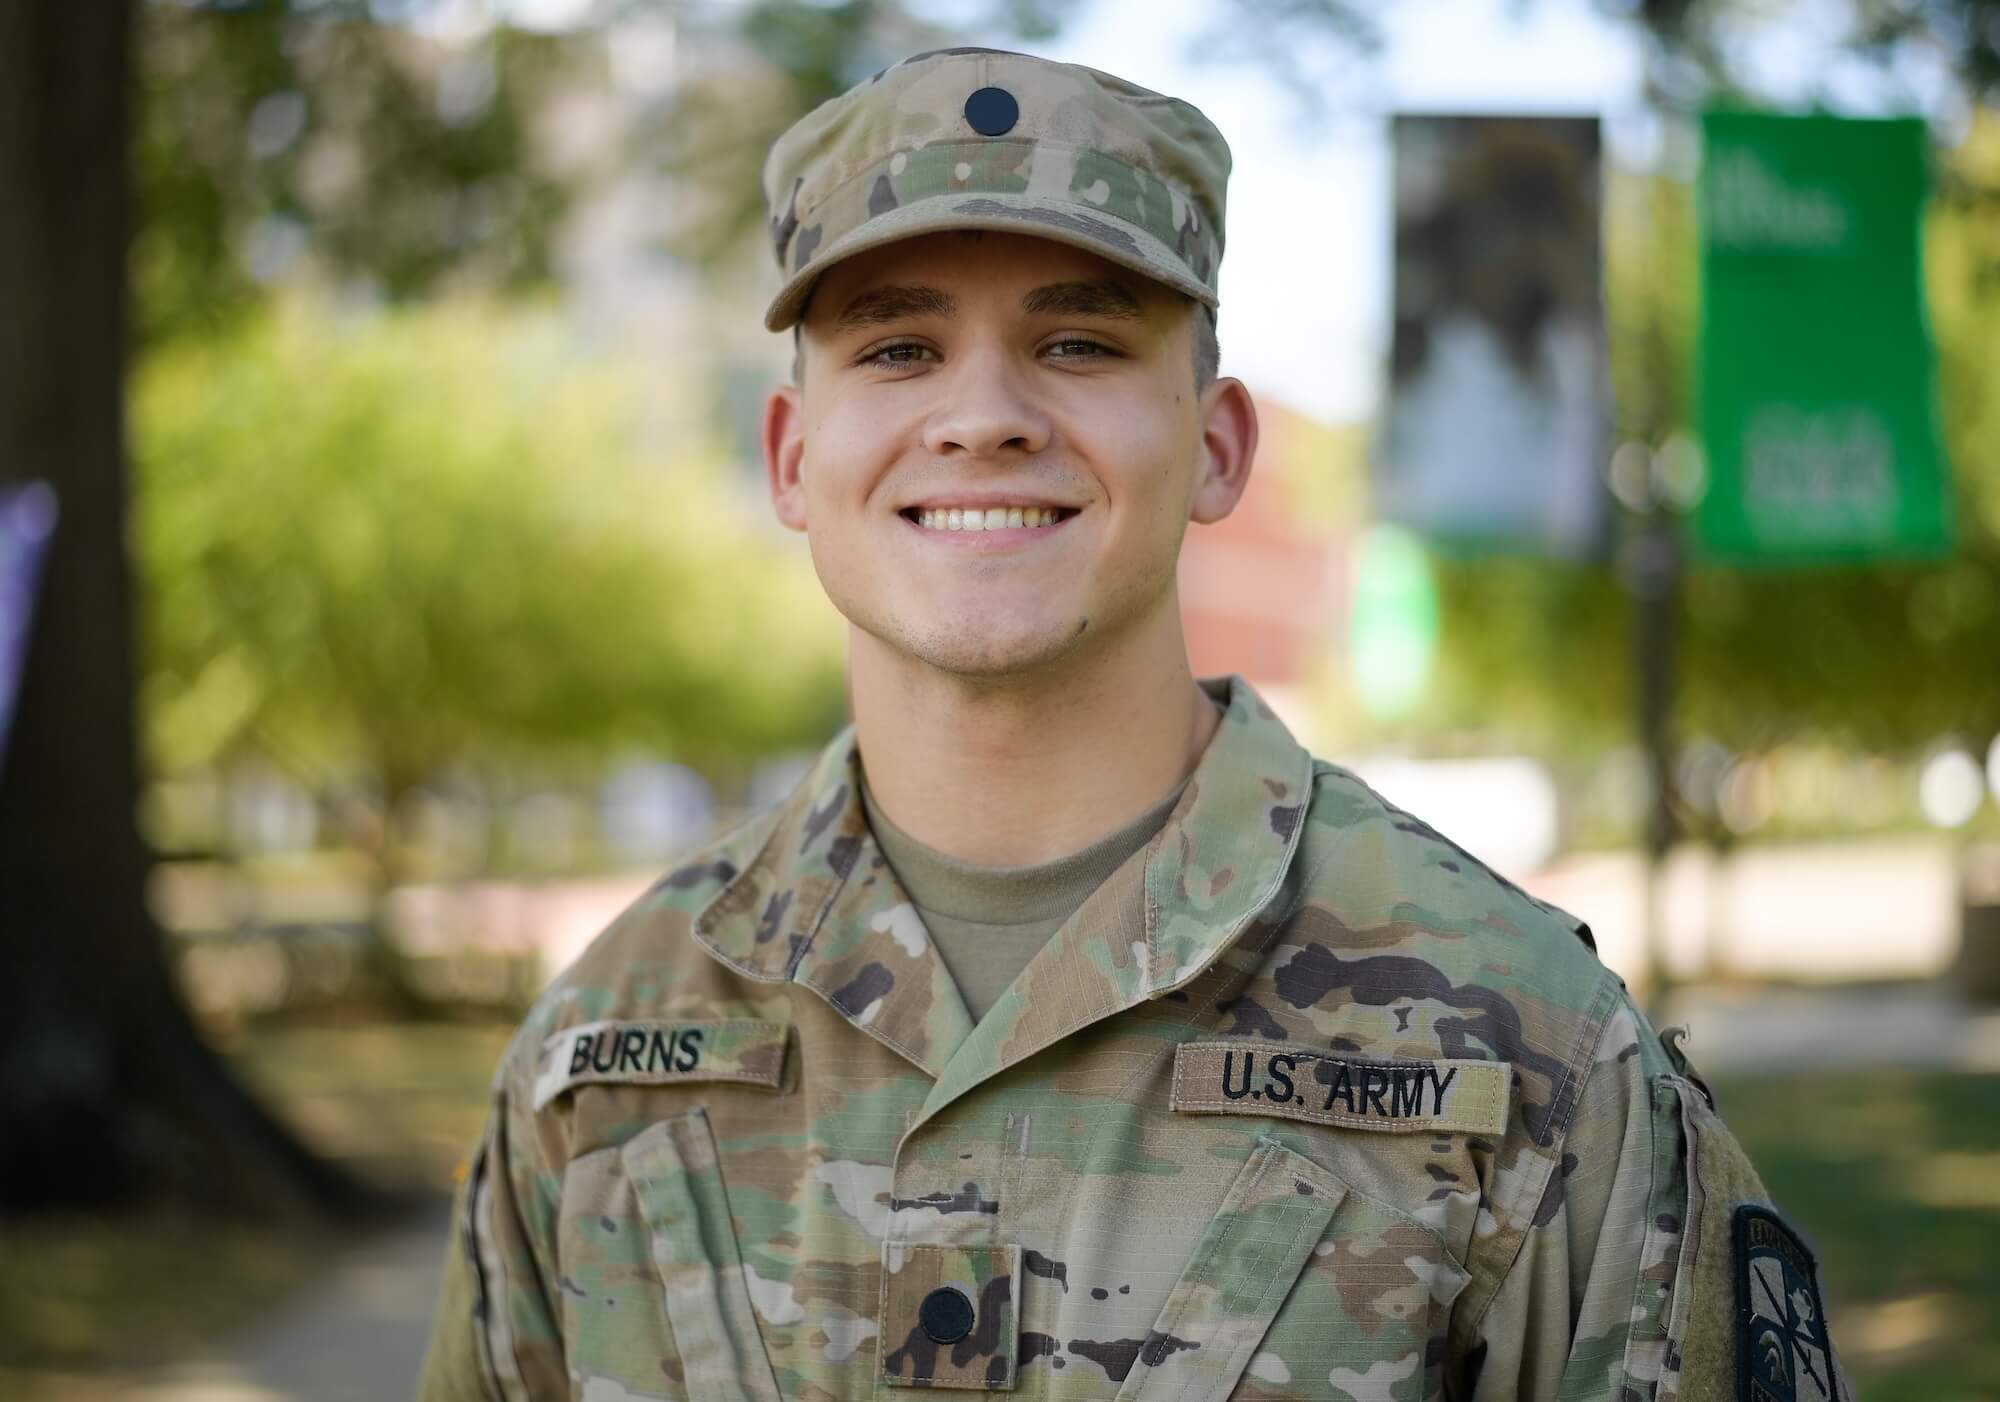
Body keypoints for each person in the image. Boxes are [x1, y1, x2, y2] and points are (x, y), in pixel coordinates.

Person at [417, 48, 1848, 1402]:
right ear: (795, 458)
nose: (983, 415)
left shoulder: (1524, 1050)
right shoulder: (600, 1056)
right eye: (900, 346)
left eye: (1082, 341)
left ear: (1217, 446)